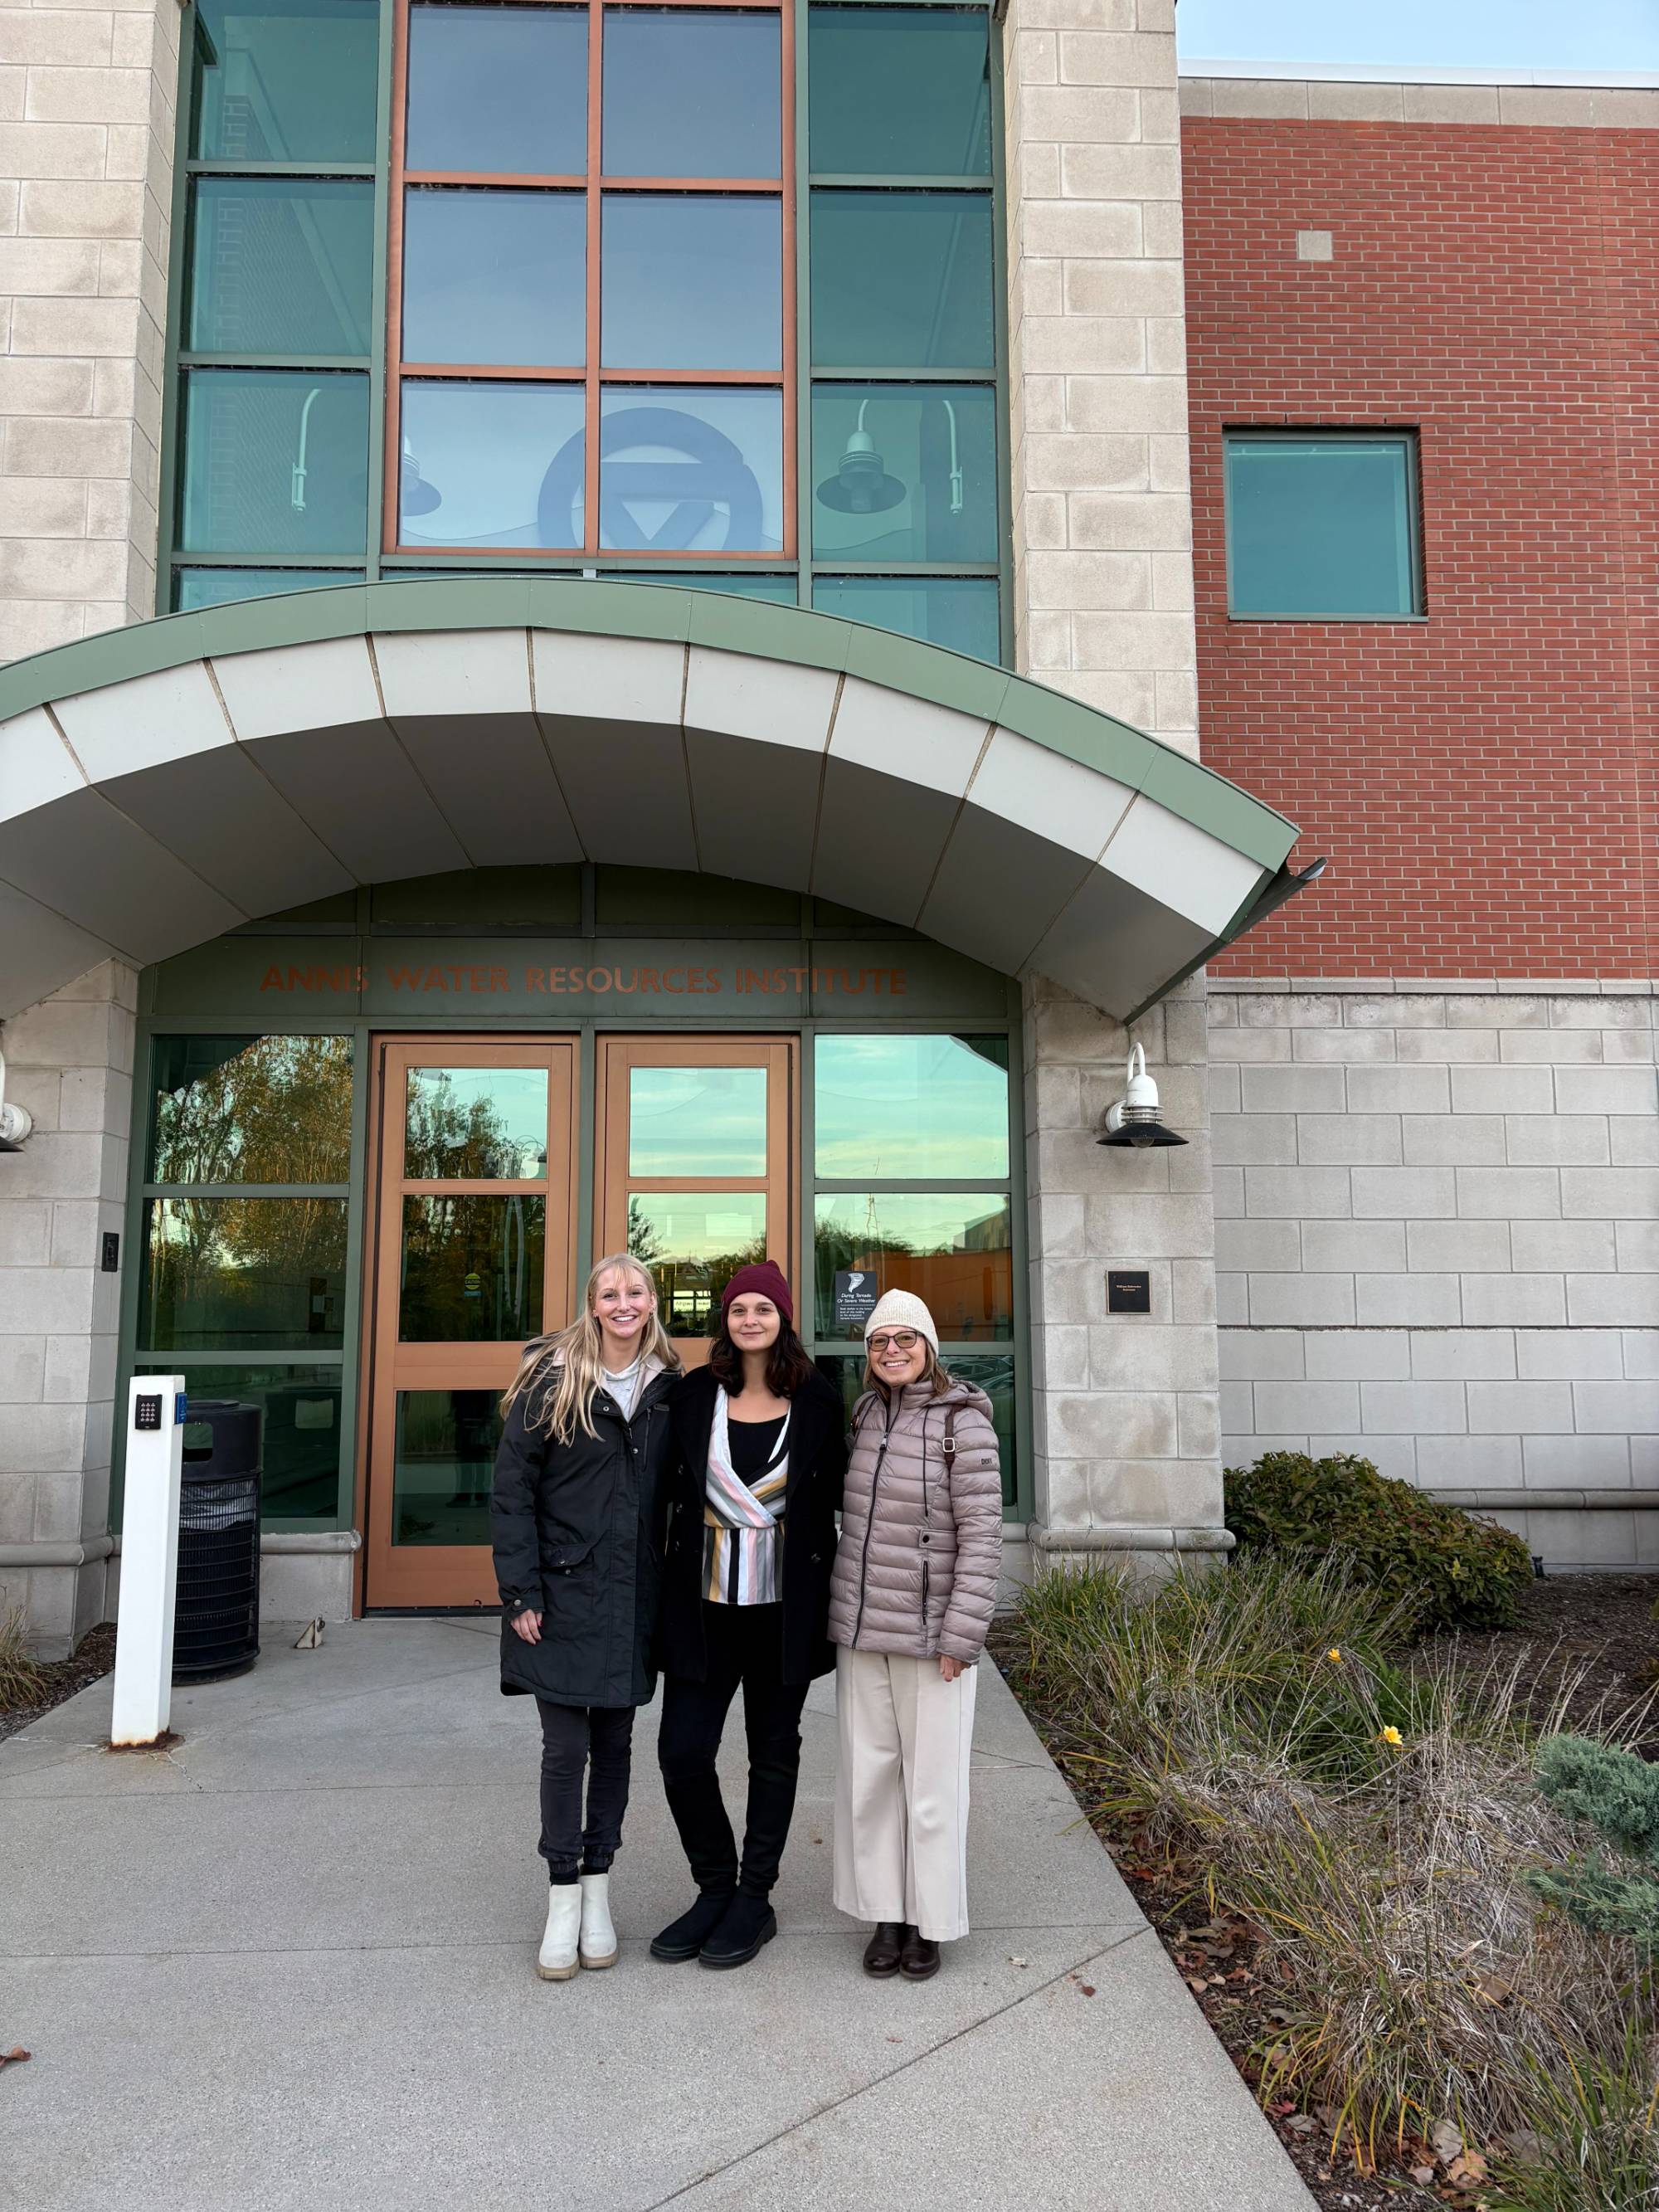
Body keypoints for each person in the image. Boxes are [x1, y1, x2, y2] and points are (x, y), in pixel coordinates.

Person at [651, 1259, 847, 1970]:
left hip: (783, 1613)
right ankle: (713, 1887)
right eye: (739, 1310)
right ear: (725, 1321)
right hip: (702, 1610)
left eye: (764, 1309)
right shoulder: (694, 1394)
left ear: (784, 1319)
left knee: (773, 1754)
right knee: (682, 1753)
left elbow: (850, 1498)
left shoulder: (820, 1399)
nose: (751, 1319)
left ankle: (754, 1898)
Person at [491, 1254, 681, 1982]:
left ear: (652, 1301)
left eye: (635, 1292)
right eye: (611, 1293)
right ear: (593, 1304)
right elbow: (513, 1493)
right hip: (561, 1598)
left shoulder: (671, 1389)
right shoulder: (554, 1378)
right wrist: (521, 1592)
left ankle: (599, 1889)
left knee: (617, 1745)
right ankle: (562, 1898)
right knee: (565, 1749)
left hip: (634, 1599)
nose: (624, 1303)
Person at [827, 1289, 1003, 1981]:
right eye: (879, 1342)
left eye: (905, 1339)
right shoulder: (867, 1414)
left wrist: (963, 1633)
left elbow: (985, 1538)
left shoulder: (966, 1424)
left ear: (929, 1348)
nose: (891, 1351)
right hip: (864, 1629)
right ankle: (886, 1915)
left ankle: (930, 1923)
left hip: (936, 1639)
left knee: (931, 1786)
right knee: (869, 1779)